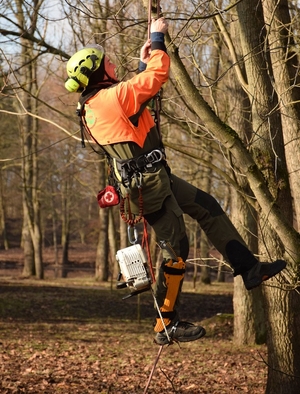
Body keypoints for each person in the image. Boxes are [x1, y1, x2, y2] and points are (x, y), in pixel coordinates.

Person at [65, 17, 286, 345]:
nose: (113, 63)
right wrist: (157, 40)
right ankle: (165, 323)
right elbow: (156, 77)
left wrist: (143, 61)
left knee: (207, 206)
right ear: (98, 71)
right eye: (108, 61)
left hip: (154, 178)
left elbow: (133, 105)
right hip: (148, 187)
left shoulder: (96, 102)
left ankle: (250, 269)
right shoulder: (111, 98)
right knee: (175, 250)